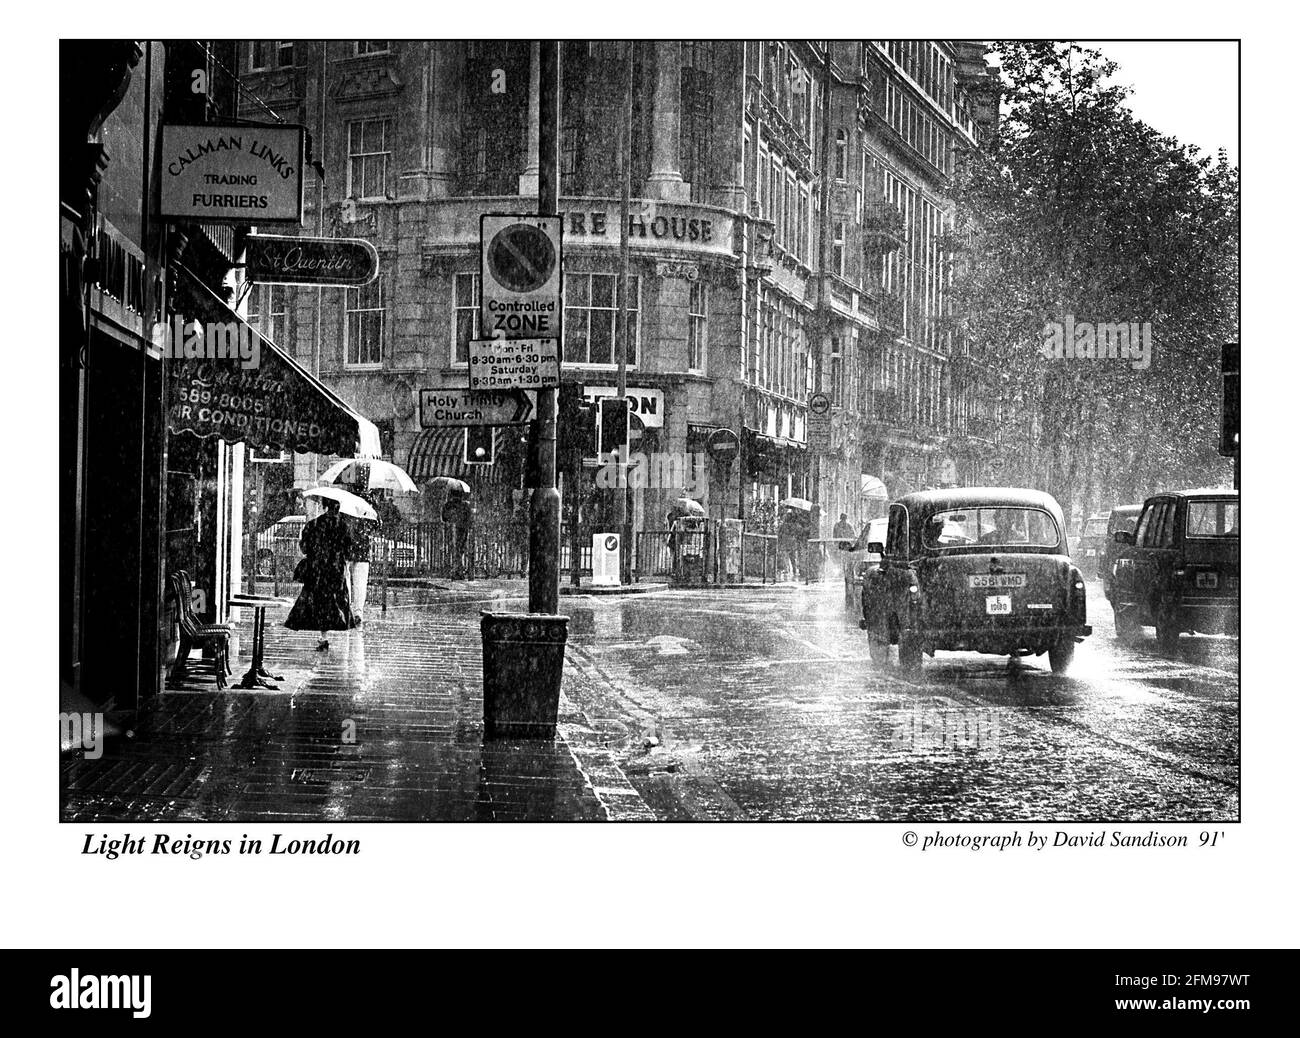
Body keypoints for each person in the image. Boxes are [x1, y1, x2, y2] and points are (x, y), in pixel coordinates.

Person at [285, 498, 354, 650]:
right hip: (335, 570)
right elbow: (349, 550)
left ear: (324, 506)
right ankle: (326, 633)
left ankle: (323, 636)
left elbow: (305, 548)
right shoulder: (343, 526)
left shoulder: (313, 524)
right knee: (333, 601)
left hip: (317, 569)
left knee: (317, 601)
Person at [343, 491, 376, 627]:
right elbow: (377, 526)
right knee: (360, 583)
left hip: (347, 550)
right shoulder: (370, 513)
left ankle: (347, 609)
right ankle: (358, 612)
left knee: (346, 580)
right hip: (363, 551)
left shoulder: (346, 511)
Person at [442, 490, 474, 579]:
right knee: (460, 550)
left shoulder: (449, 505)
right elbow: (469, 518)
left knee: (455, 550)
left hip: (453, 529)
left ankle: (457, 570)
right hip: (462, 529)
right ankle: (459, 570)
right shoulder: (465, 506)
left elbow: (444, 517)